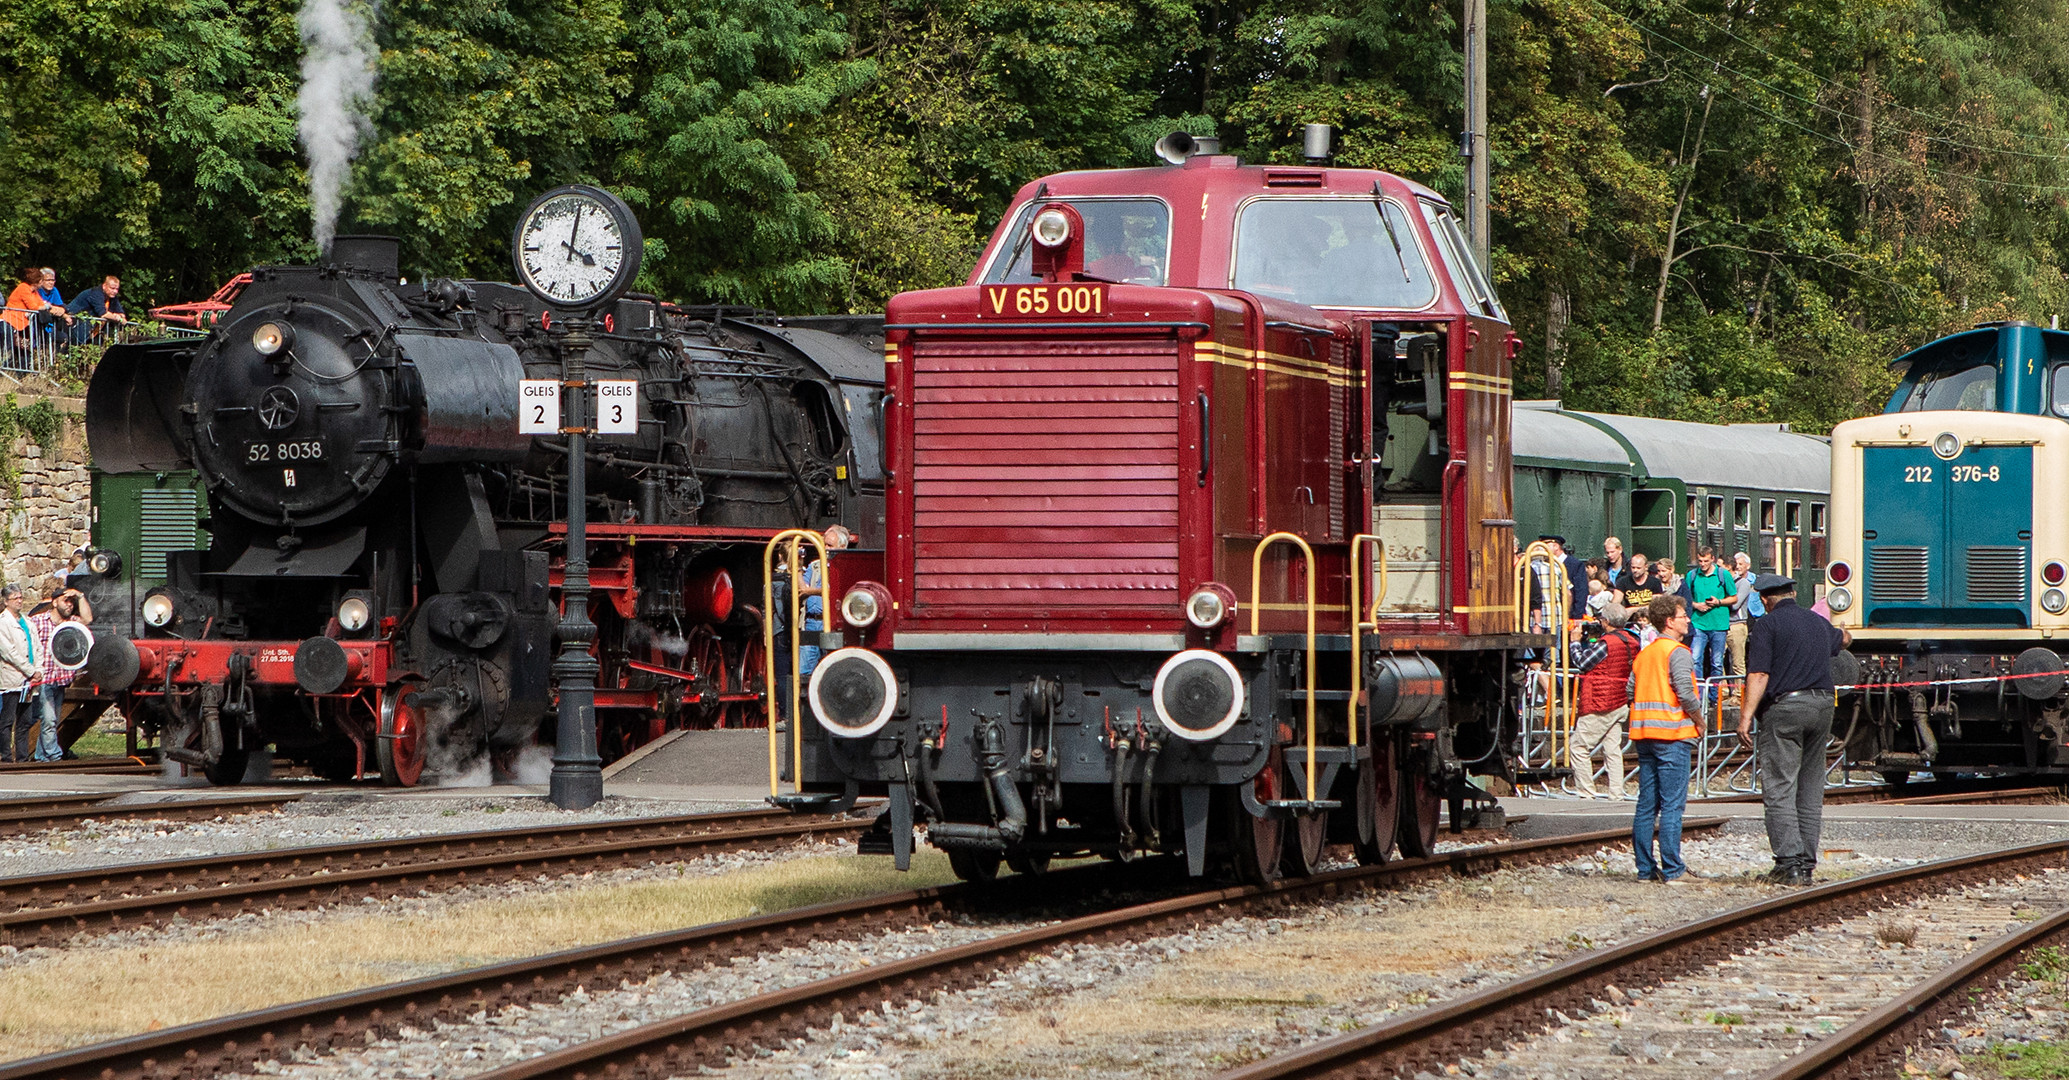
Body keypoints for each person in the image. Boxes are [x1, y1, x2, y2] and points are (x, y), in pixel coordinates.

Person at [1737, 573, 1850, 886]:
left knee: (1780, 787)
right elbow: (1843, 639)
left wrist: (1746, 716)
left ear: (1764, 599)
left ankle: (1789, 865)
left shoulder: (1767, 626)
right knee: (1811, 788)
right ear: (1791, 593)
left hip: (1786, 708)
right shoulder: (1816, 622)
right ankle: (1807, 863)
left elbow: (1759, 674)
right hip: (1823, 705)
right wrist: (1843, 635)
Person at [1627, 594, 1704, 883]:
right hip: (1673, 735)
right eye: (1683, 615)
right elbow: (1685, 692)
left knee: (1647, 805)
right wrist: (1699, 720)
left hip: (1645, 735)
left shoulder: (1645, 653)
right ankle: (1673, 869)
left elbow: (1630, 692)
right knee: (1672, 805)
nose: (1687, 619)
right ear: (1670, 621)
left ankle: (1645, 870)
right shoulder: (1678, 652)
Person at [1568, 605, 1642, 799]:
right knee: (1612, 749)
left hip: (1600, 701)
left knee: (1578, 746)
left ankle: (1586, 792)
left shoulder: (1605, 643)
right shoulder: (1633, 640)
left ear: (1606, 622)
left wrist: (1574, 642)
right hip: (1620, 700)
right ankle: (1616, 793)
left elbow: (1582, 663)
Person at [26, 587, 90, 762]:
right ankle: (54, 755)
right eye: (65, 601)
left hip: (61, 679)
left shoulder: (71, 622)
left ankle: (41, 755)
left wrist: (80, 595)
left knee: (51, 720)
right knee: (49, 719)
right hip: (44, 678)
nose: (69, 605)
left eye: (71, 602)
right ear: (54, 602)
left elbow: (87, 619)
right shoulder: (38, 621)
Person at [1678, 547, 1737, 710]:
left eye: (1706, 561)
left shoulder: (1722, 574)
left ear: (1712, 559)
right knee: (1695, 658)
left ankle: (1714, 697)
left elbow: (1734, 598)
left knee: (1717, 662)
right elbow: (1685, 598)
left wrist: (1718, 602)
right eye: (1700, 561)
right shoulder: (1692, 575)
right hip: (1698, 623)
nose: (1703, 564)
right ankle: (1698, 695)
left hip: (1719, 624)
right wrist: (1696, 605)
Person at [797, 525, 854, 680]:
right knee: (805, 670)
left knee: (834, 668)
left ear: (842, 546)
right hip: (812, 620)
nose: (826, 549)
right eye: (824, 545)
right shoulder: (814, 566)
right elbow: (802, 588)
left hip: (834, 622)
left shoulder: (847, 567)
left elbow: (834, 590)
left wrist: (811, 591)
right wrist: (798, 567)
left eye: (830, 545)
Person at [0, 585, 37, 763]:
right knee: (7, 719)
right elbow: (9, 652)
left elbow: (36, 647)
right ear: (6, 601)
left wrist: (39, 670)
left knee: (25, 720)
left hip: (29, 680)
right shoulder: (2, 623)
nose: (20, 601)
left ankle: (22, 757)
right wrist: (30, 670)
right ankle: (6, 756)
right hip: (12, 678)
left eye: (21, 597)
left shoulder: (27, 621)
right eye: (15, 598)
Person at [1727, 552, 1764, 682]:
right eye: (1736, 564)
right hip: (1738, 619)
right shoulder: (1729, 582)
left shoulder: (1756, 581)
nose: (1738, 566)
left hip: (1755, 619)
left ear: (1748, 566)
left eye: (1741, 564)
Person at [66, 275, 127, 344]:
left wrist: (120, 316)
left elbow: (121, 313)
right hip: (74, 324)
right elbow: (103, 314)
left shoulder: (112, 297)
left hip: (91, 329)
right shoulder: (95, 293)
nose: (115, 291)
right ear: (104, 286)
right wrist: (117, 318)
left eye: (117, 289)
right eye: (112, 288)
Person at [34, 269, 76, 345]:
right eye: (48, 280)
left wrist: (63, 312)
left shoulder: (54, 290)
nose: (51, 283)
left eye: (53, 280)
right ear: (41, 280)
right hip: (37, 322)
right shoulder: (37, 290)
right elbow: (41, 306)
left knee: (63, 337)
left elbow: (60, 306)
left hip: (50, 321)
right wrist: (58, 311)